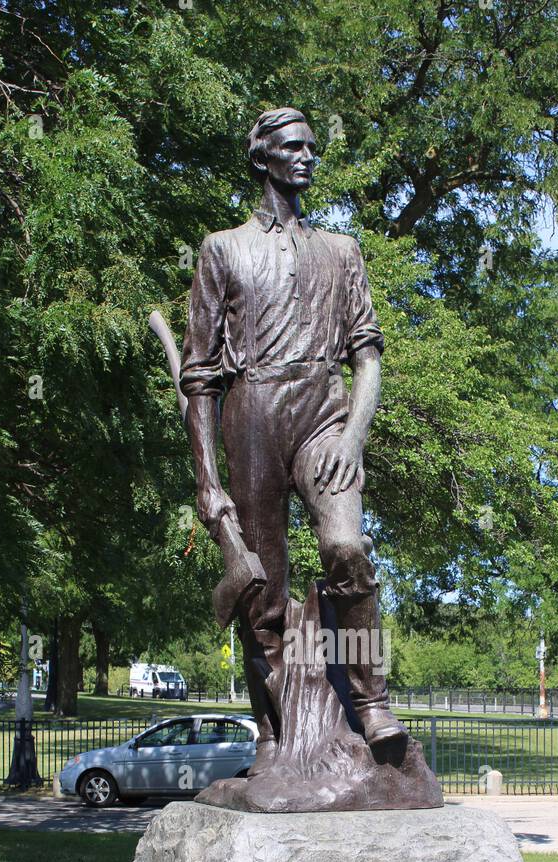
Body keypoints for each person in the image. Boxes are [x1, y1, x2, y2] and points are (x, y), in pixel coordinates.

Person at [180, 106, 405, 773]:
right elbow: (199, 377)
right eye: (293, 147)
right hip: (250, 417)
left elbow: (368, 355)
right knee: (262, 593)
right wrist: (207, 481)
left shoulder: (341, 250)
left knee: (345, 547)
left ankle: (371, 702)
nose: (307, 157)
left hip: (323, 416)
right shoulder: (223, 249)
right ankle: (272, 730)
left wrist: (354, 437)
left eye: (311, 147)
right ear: (263, 158)